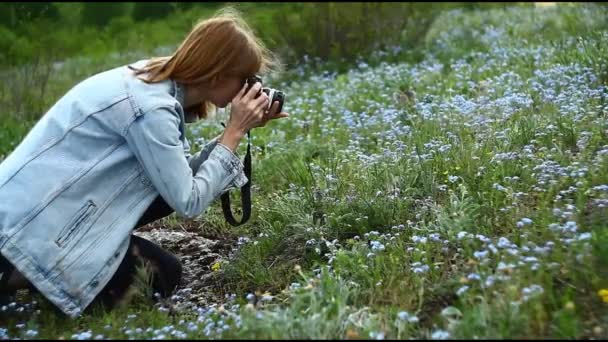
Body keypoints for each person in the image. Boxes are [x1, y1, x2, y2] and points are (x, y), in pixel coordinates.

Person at [0, 7, 289, 317]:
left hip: (41, 214)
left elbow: (174, 180)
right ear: (217, 74)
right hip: (25, 233)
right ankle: (21, 276)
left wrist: (232, 137)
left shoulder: (148, 81)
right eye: (245, 78)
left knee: (160, 271)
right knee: (160, 276)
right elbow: (189, 201)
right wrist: (233, 133)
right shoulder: (150, 110)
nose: (251, 88)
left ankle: (30, 272)